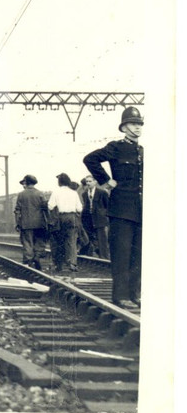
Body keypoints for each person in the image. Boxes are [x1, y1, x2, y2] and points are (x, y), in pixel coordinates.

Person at [83, 106, 143, 311]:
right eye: (134, 124)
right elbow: (90, 159)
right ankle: (120, 296)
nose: (138, 127)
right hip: (120, 210)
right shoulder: (116, 147)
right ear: (124, 127)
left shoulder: (143, 151)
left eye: (140, 124)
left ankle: (135, 294)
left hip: (141, 211)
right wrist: (107, 180)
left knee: (138, 255)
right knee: (122, 253)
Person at [46, 173, 83, 276]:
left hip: (59, 218)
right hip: (72, 218)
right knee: (71, 240)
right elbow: (79, 208)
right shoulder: (74, 193)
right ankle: (72, 263)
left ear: (59, 182)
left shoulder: (56, 193)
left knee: (58, 241)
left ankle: (59, 264)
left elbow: (50, 206)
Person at [14, 175, 48, 269]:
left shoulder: (21, 194)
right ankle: (37, 256)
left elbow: (17, 210)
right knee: (39, 242)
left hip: (26, 224)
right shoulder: (40, 194)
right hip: (39, 223)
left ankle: (29, 261)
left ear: (26, 182)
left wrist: (17, 222)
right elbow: (45, 208)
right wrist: (47, 221)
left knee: (27, 242)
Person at [78, 175, 110, 259]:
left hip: (100, 219)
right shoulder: (84, 194)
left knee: (102, 239)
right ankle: (89, 256)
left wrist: (103, 215)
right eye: (87, 181)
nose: (88, 183)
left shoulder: (102, 193)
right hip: (88, 219)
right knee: (89, 238)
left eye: (90, 181)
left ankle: (104, 258)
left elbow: (108, 206)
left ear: (95, 182)